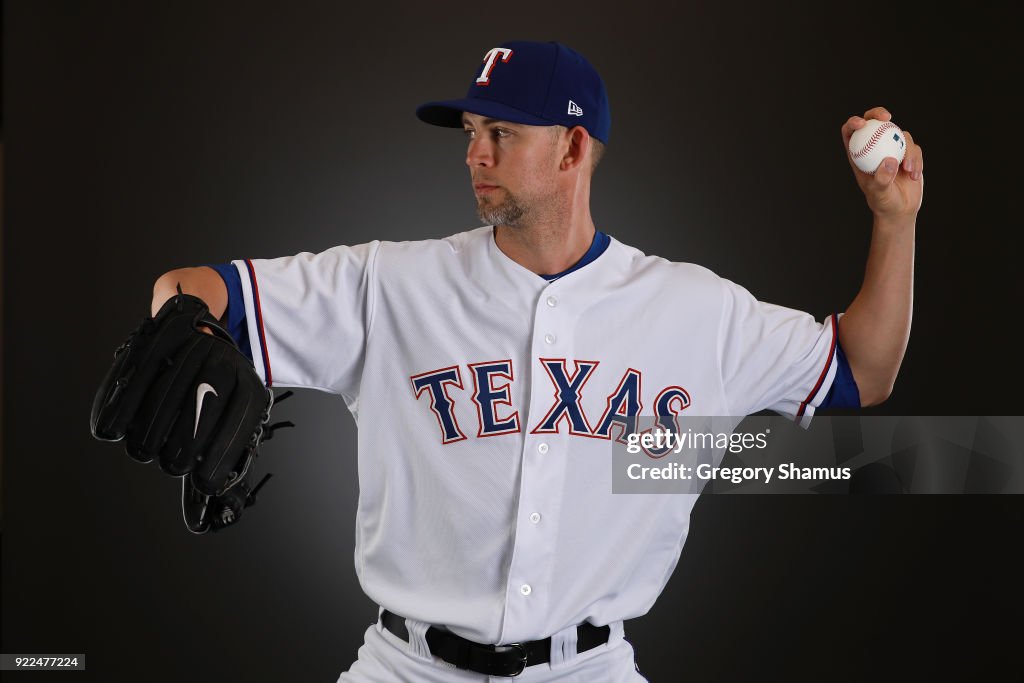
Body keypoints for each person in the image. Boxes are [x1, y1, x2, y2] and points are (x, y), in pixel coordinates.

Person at [147, 40, 922, 682]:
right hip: (405, 667)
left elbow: (863, 369)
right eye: (471, 133)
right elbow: (188, 288)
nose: (474, 154)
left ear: (573, 147)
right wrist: (198, 332)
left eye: (502, 134)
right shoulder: (388, 283)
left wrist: (895, 221)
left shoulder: (695, 310)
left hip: (590, 669)